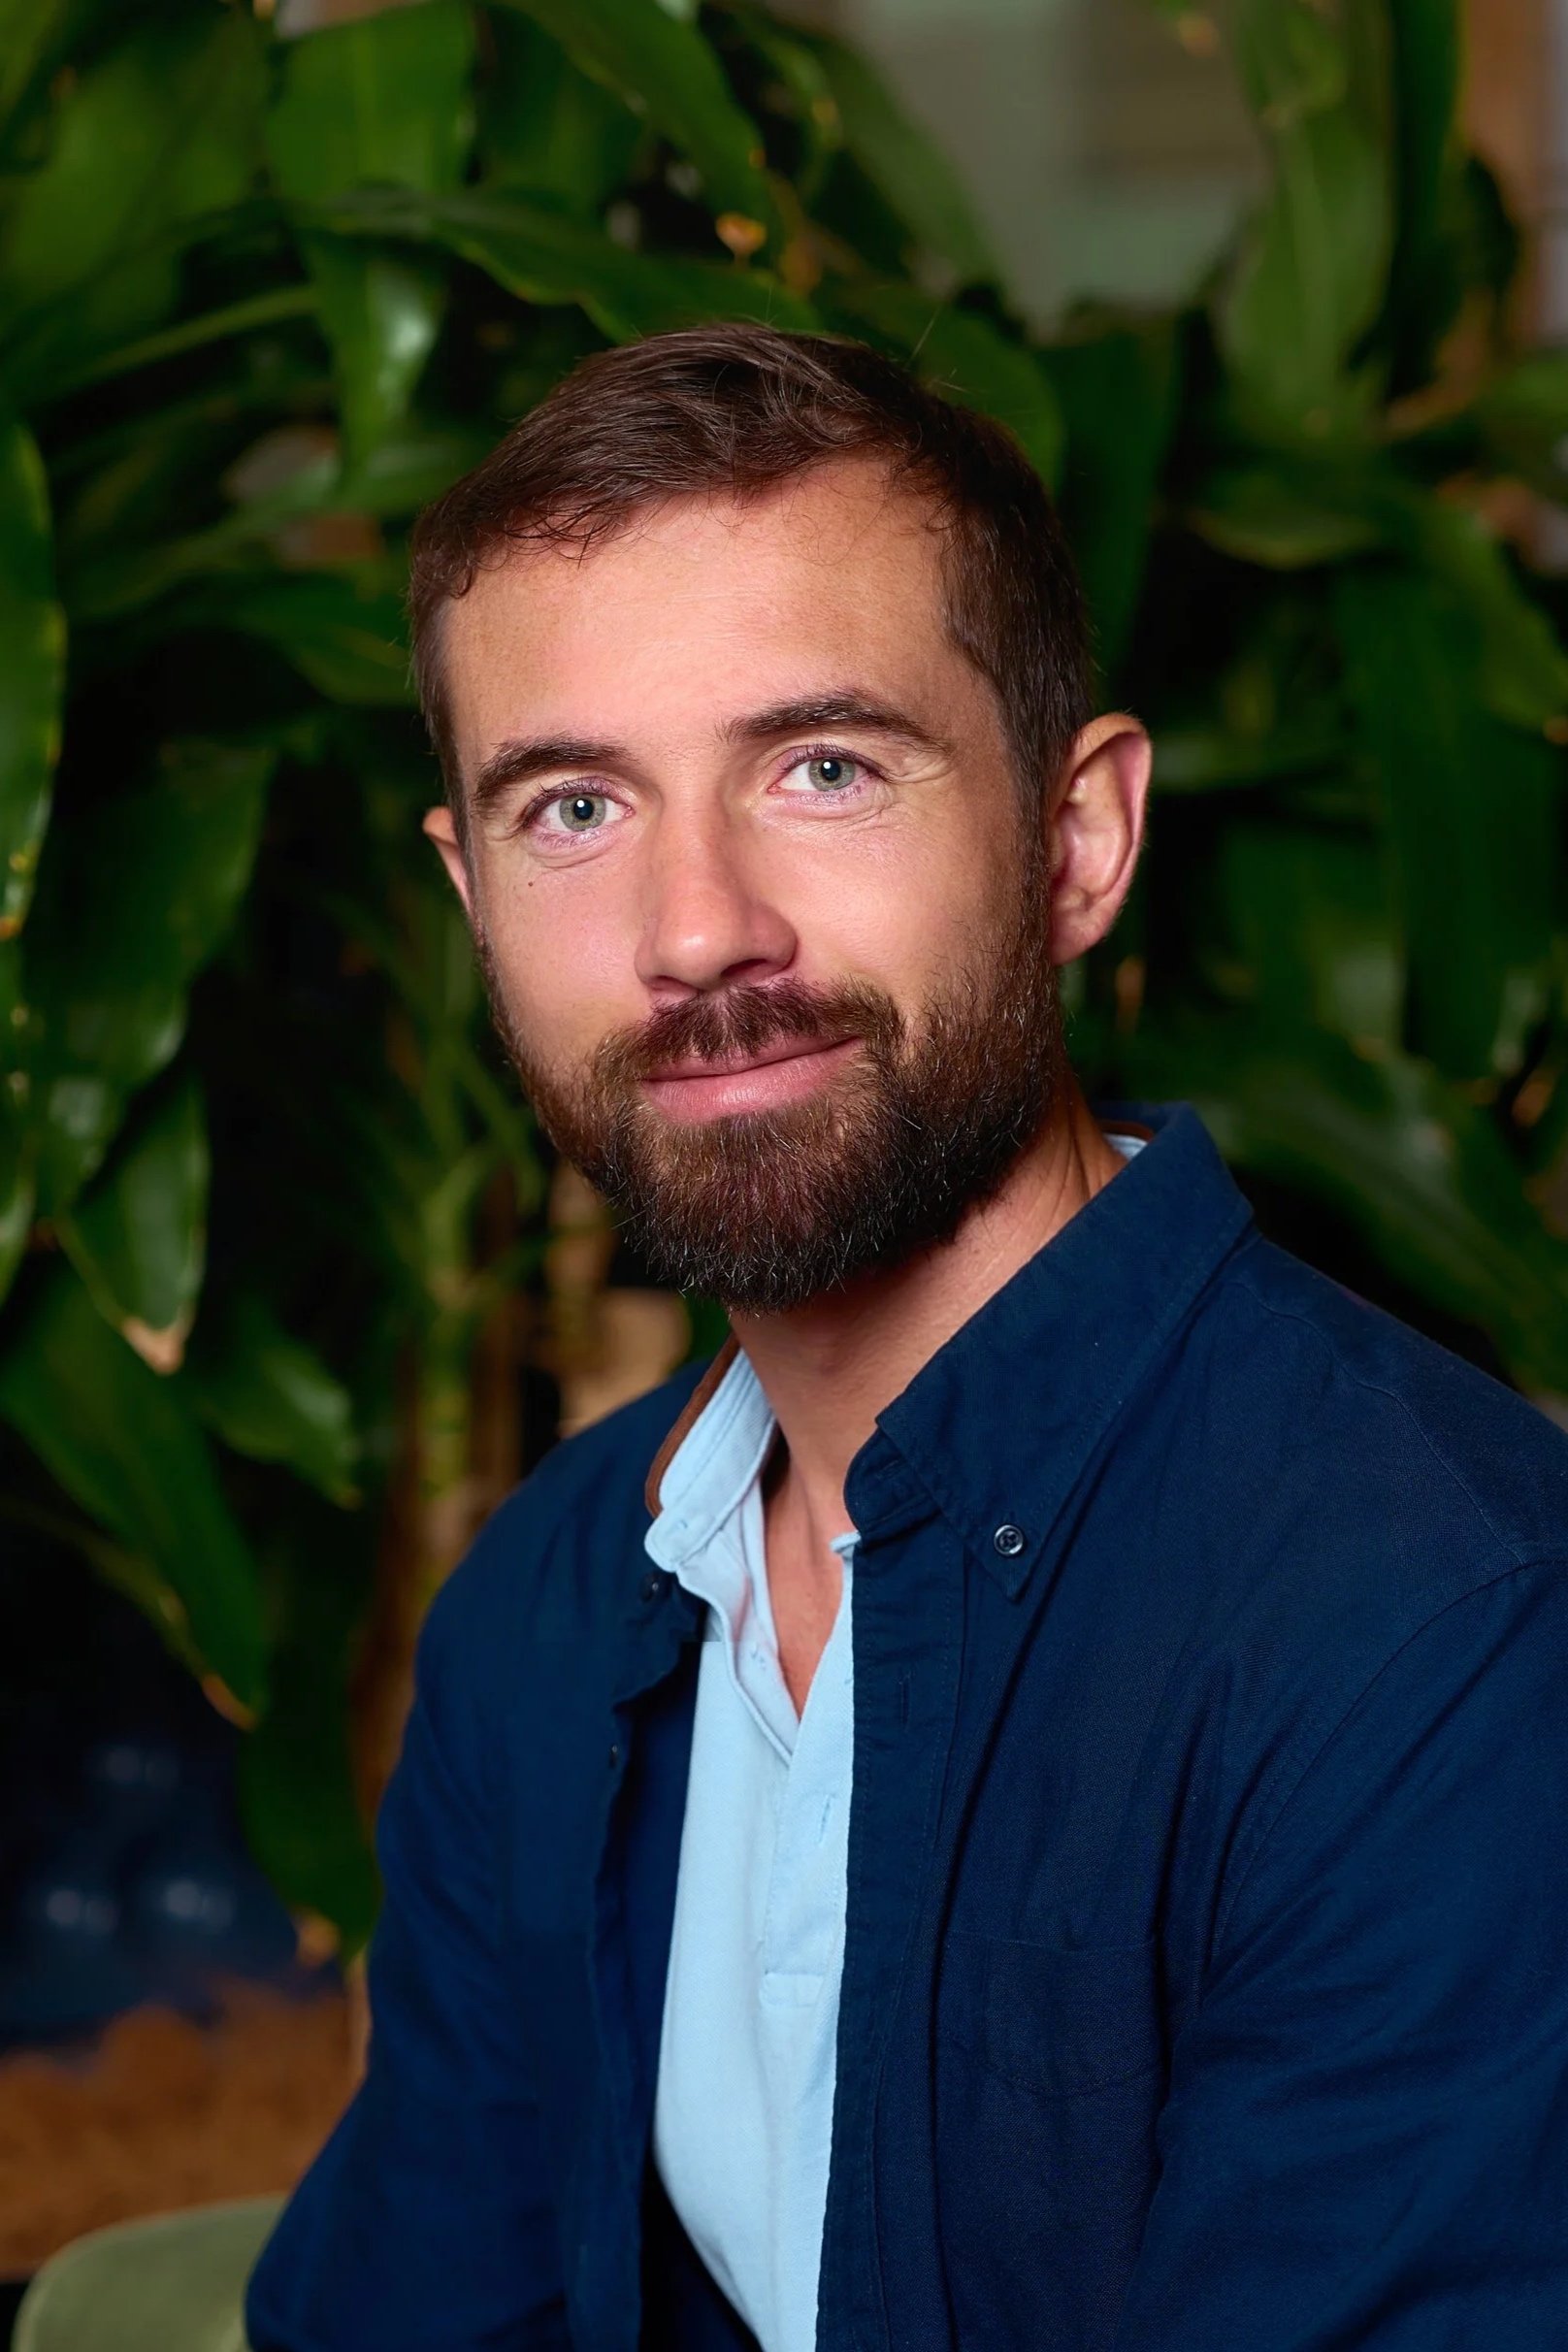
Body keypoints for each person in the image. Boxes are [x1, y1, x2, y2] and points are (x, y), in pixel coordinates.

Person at [245, 326, 1568, 2352]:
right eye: (576, 807)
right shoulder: (551, 1603)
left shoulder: (1441, 1635)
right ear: (474, 896)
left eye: (824, 768)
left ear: (1075, 840)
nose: (697, 930)